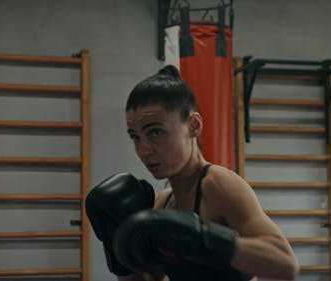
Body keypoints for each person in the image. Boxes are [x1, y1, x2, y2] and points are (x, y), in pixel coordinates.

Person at [86, 65, 300, 281]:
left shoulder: (218, 185)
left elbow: (286, 265)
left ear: (193, 126)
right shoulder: (163, 202)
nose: (144, 150)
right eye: (135, 137)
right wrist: (117, 250)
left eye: (156, 132)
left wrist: (202, 238)